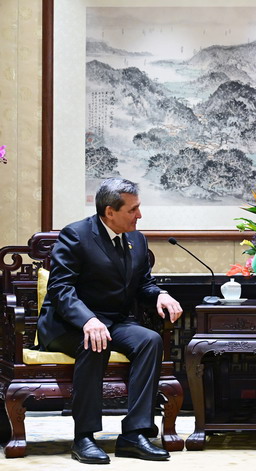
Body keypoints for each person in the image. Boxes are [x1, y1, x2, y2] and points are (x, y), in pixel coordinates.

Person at [38, 177, 183, 464]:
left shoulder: (136, 239)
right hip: (68, 325)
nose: (139, 215)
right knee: (95, 342)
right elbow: (61, 289)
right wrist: (87, 320)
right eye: (133, 209)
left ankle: (134, 434)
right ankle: (84, 437)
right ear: (109, 212)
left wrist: (160, 295)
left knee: (150, 340)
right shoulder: (76, 235)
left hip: (114, 322)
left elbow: (143, 284)